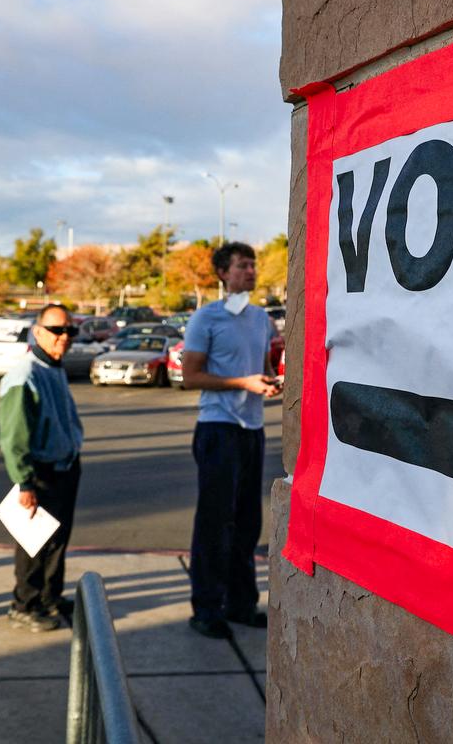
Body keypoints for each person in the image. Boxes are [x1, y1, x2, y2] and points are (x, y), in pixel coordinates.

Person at [180, 242, 281, 639]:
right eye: (242, 266)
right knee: (214, 523)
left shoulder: (260, 319)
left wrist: (269, 382)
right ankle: (205, 609)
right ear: (222, 273)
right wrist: (242, 382)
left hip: (251, 431)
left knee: (246, 524)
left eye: (253, 266)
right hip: (217, 429)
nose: (251, 272)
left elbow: (265, 367)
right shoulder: (206, 318)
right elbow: (191, 376)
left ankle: (240, 604)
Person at [0, 303, 84, 632]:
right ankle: (24, 603)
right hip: (40, 473)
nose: (64, 337)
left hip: (66, 466)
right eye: (56, 330)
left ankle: (50, 597)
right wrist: (25, 483)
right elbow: (13, 437)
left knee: (57, 540)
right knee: (33, 541)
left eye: (69, 331)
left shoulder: (55, 367)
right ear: (38, 332)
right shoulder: (25, 375)